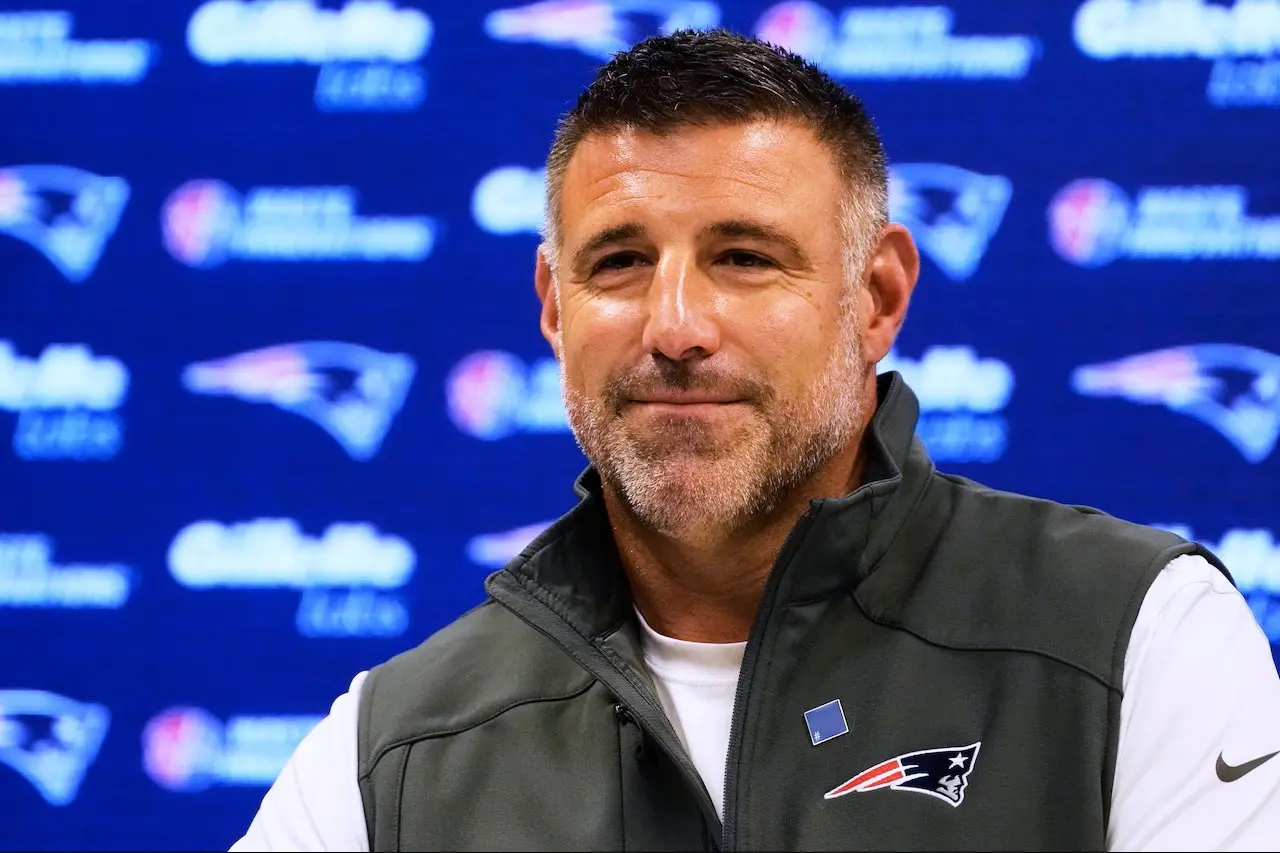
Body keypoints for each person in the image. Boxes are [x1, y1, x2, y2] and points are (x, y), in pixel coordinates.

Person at [230, 29, 1280, 852]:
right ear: (552, 306)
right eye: (618, 262)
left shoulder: (1136, 639)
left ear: (876, 298)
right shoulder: (392, 753)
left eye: (743, 258)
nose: (675, 326)